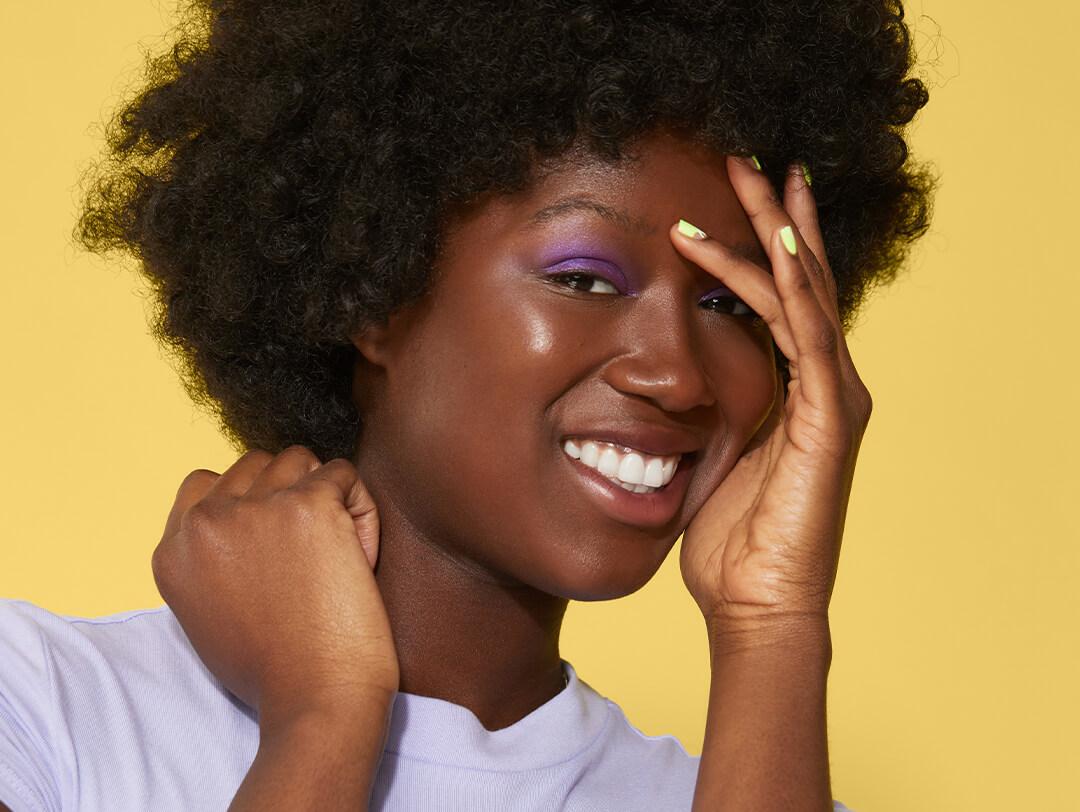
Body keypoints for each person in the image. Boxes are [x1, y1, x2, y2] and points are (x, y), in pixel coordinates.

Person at [0, 0, 935, 809]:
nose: (679, 377)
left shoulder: (762, 788)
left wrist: (771, 624)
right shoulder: (42, 712)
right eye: (585, 279)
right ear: (373, 285)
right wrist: (322, 713)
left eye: (730, 303)